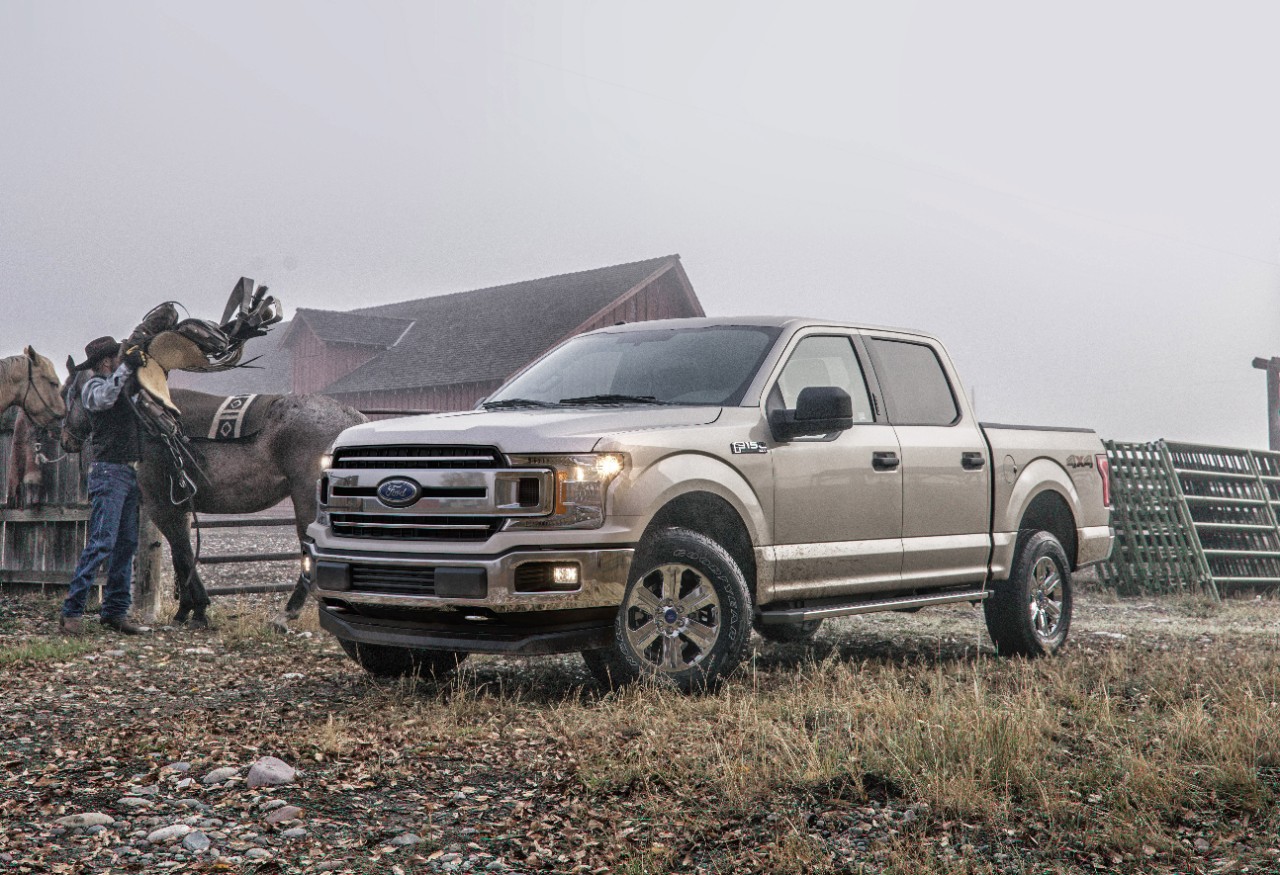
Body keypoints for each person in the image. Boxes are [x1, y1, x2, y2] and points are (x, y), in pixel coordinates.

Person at [58, 336, 150, 635]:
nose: (121, 360)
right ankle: (72, 612)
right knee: (102, 542)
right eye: (117, 357)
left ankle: (114, 612)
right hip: (109, 471)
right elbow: (105, 399)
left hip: (127, 471)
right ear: (107, 361)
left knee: (126, 544)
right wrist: (127, 369)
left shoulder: (121, 386)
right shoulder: (93, 387)